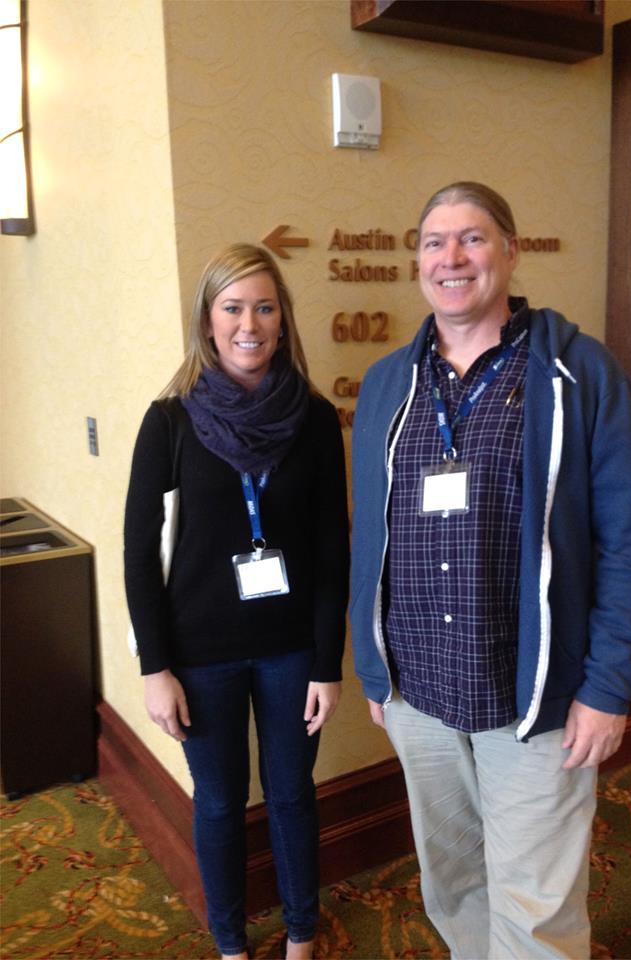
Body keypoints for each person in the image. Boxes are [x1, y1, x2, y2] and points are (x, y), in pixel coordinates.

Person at [350, 182, 631, 959]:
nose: (450, 257)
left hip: (533, 697)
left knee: (536, 907)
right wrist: (372, 667)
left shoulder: (579, 374)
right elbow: (371, 532)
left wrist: (606, 687)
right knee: (454, 880)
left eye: (473, 238)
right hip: (418, 690)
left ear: (511, 251)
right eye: (433, 242)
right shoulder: (391, 381)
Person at [124, 243, 349, 960]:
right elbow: (138, 551)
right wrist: (155, 668)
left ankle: (301, 935)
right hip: (200, 655)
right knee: (220, 803)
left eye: (264, 307)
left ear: (283, 321)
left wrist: (326, 663)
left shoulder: (313, 420)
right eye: (232, 308)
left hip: (291, 652)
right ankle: (229, 943)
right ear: (208, 320)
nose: (248, 323)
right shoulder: (170, 421)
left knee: (291, 797)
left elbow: (330, 550)